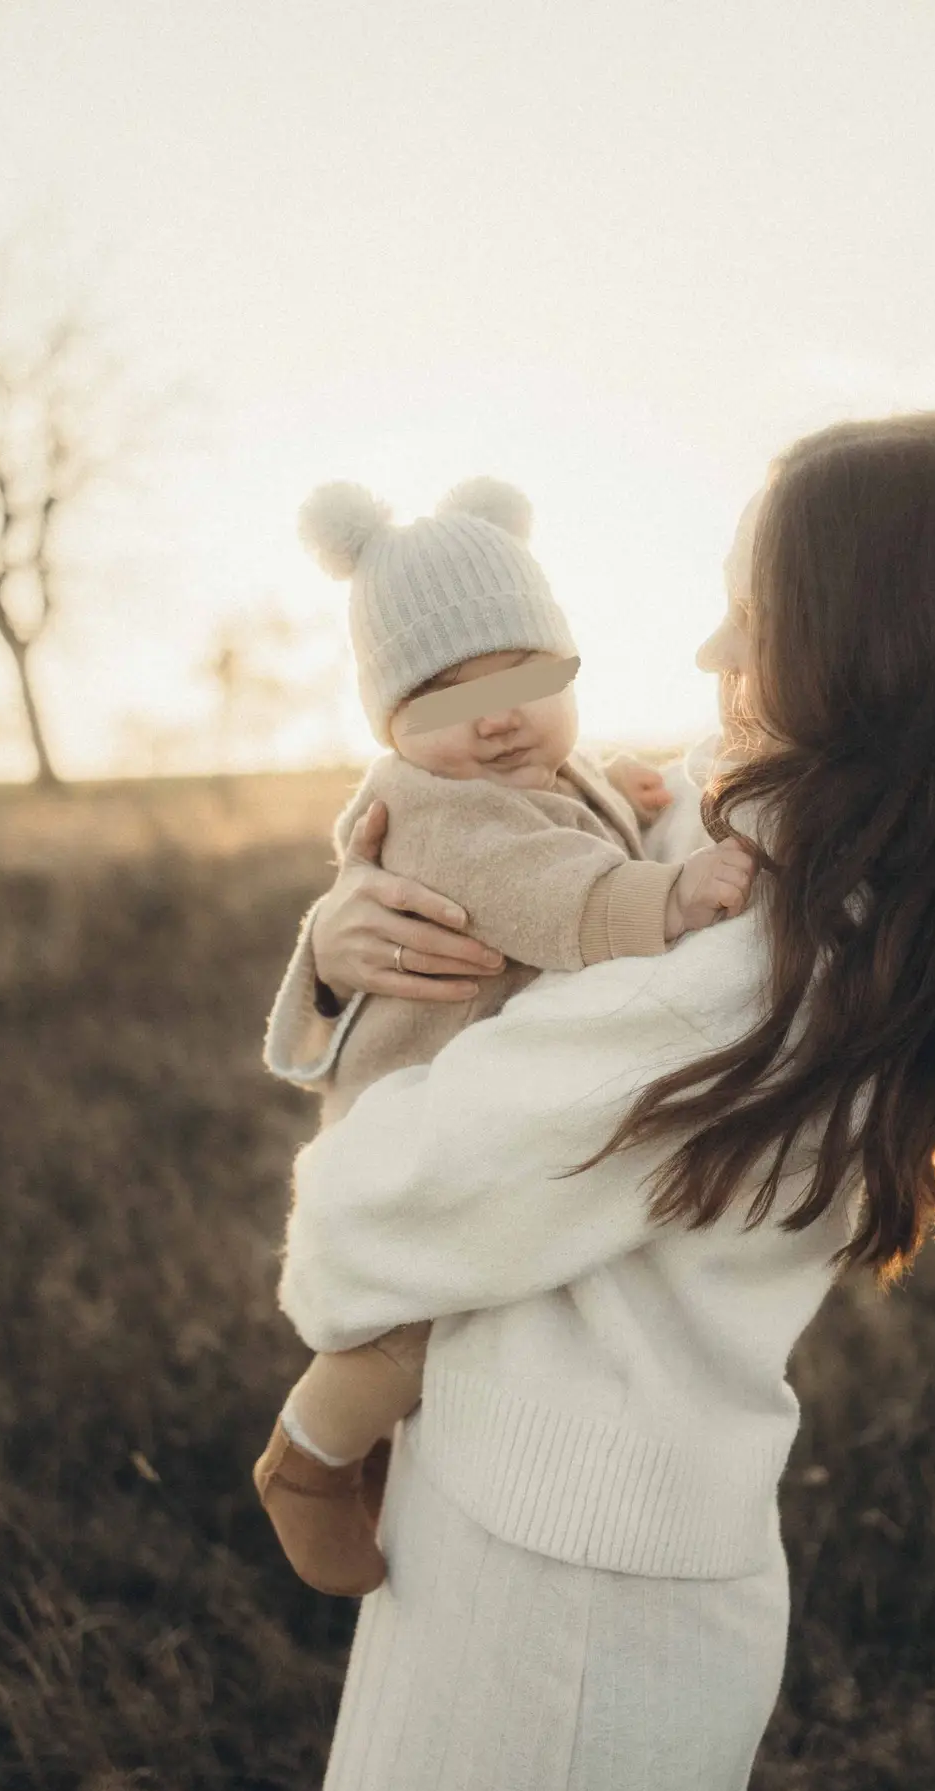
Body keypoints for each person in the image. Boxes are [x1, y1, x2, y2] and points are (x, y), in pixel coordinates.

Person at [270, 413, 935, 1791]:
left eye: (752, 616)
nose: (708, 651)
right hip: (563, 1538)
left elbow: (365, 1219)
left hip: (562, 1599)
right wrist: (340, 934)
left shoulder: (745, 971)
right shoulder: (848, 878)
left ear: (858, 649)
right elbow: (549, 842)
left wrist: (401, 1001)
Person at [254, 475, 758, 1597]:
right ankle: (312, 1456)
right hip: (412, 1096)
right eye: (444, 694)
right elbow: (546, 888)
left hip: (473, 1085)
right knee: (418, 1306)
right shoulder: (438, 807)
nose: (496, 717)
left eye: (524, 676)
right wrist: (671, 893)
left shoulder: (537, 766)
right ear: (388, 721)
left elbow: (569, 812)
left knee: (459, 1290)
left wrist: (627, 795)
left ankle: (373, 1455)